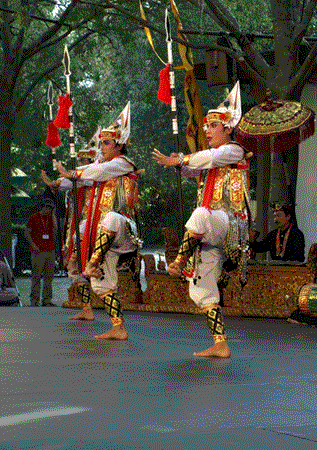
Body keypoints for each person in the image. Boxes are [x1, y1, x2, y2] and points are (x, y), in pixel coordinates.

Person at [152, 81, 251, 358]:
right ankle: (221, 344)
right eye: (205, 126)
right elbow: (192, 169)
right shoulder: (210, 160)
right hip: (210, 232)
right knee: (202, 291)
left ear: (228, 128)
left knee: (201, 214)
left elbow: (209, 157)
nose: (206, 130)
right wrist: (179, 162)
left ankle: (179, 260)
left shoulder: (233, 151)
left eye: (212, 126)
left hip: (229, 224)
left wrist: (183, 159)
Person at [55, 103, 141, 340]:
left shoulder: (123, 164)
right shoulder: (101, 167)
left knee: (111, 217)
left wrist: (73, 172)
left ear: (119, 145)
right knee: (102, 285)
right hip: (104, 237)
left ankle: (91, 262)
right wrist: (62, 178)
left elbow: (95, 172)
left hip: (124, 229)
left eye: (106, 143)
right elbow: (87, 175)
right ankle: (118, 327)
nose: (101, 147)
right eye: (101, 143)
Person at [41, 132, 99, 318]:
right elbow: (68, 182)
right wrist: (55, 184)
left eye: (85, 160)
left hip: (95, 225)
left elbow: (78, 178)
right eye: (80, 160)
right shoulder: (79, 178)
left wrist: (60, 181)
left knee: (83, 262)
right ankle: (86, 307)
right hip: (78, 226)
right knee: (75, 265)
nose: (81, 163)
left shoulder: (96, 174)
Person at [25, 197, 57, 306]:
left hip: (50, 250)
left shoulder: (51, 218)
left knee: (49, 276)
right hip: (38, 251)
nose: (47, 210)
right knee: (36, 276)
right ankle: (34, 300)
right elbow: (27, 233)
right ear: (42, 207)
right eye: (46, 208)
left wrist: (53, 215)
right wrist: (33, 245)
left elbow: (57, 228)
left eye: (50, 208)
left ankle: (47, 300)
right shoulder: (33, 217)